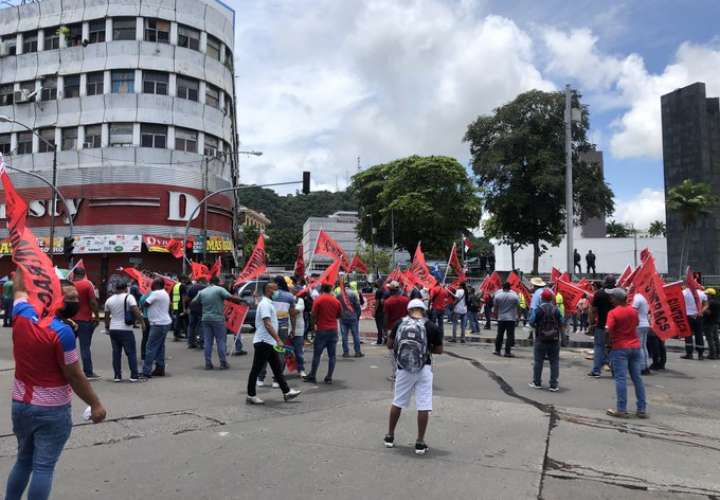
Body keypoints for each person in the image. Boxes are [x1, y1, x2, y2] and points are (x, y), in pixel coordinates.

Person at [6, 273, 107, 500]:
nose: (73, 301)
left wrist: (27, 263)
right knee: (43, 466)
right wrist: (95, 404)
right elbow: (74, 374)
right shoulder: (63, 333)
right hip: (52, 410)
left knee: (23, 460)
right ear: (55, 300)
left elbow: (20, 290)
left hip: (21, 405)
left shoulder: (22, 315)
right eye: (69, 297)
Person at [384, 299, 443, 455]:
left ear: (408, 310)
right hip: (424, 368)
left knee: (397, 402)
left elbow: (389, 345)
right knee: (423, 405)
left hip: (403, 369)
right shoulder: (430, 326)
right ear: (423, 310)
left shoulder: (399, 324)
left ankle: (389, 436)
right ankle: (419, 442)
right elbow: (439, 350)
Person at [246, 282, 302, 405]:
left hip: (268, 342)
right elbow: (267, 323)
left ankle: (287, 392)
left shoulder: (268, 303)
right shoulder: (265, 304)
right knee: (256, 369)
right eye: (275, 289)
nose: (277, 292)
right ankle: (251, 395)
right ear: (268, 290)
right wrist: (278, 339)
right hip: (263, 341)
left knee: (277, 369)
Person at [605, 288, 647, 419]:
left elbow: (607, 330)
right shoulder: (634, 311)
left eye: (612, 297)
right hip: (635, 346)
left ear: (617, 299)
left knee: (621, 379)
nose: (610, 299)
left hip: (620, 347)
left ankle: (622, 409)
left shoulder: (613, 313)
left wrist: (608, 344)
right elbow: (637, 323)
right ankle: (641, 409)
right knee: (637, 378)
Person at [192, 276, 244, 370]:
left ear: (209, 282)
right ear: (218, 282)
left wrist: (204, 306)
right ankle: (223, 363)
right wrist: (242, 300)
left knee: (208, 342)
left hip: (205, 319)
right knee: (220, 341)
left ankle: (208, 363)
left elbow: (194, 302)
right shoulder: (219, 290)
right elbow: (230, 297)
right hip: (218, 319)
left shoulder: (202, 292)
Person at [104, 281, 144, 382]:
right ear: (126, 288)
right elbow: (135, 310)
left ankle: (117, 376)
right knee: (131, 352)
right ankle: (134, 375)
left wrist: (107, 327)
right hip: (126, 329)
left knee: (116, 353)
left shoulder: (109, 300)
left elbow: (106, 316)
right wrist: (142, 322)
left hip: (113, 329)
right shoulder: (129, 297)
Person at [304, 284, 341, 384]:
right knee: (332, 355)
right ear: (331, 290)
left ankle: (313, 375)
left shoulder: (319, 300)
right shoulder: (336, 301)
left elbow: (313, 315)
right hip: (333, 330)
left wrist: (312, 328)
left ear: (321, 290)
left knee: (317, 354)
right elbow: (339, 315)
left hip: (321, 330)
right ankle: (329, 377)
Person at [529, 289, 563, 391]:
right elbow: (561, 322)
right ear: (551, 298)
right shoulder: (556, 310)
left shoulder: (538, 310)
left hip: (541, 338)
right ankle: (553, 385)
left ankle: (537, 382)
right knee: (554, 362)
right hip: (554, 339)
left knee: (538, 361)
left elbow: (531, 322)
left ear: (541, 298)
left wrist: (536, 326)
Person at [140, 278, 173, 379]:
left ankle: (146, 371)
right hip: (165, 322)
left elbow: (144, 304)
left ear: (157, 285)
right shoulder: (164, 293)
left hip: (158, 324)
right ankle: (160, 368)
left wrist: (147, 293)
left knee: (150, 347)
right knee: (160, 347)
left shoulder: (156, 293)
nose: (151, 285)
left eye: (152, 284)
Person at [71, 268, 101, 380]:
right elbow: (93, 302)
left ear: (74, 274)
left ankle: (67, 370)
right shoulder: (87, 285)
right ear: (84, 274)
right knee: (85, 347)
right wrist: (97, 317)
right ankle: (88, 372)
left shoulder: (70, 285)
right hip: (84, 320)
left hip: (70, 320)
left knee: (68, 347)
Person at [587, 277, 615, 378]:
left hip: (601, 325)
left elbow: (593, 310)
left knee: (599, 347)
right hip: (615, 325)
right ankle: (614, 367)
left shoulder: (599, 294)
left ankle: (596, 370)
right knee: (613, 347)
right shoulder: (619, 293)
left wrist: (590, 323)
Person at [337, 280, 363, 358]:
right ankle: (357, 352)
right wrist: (357, 316)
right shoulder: (353, 294)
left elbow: (336, 305)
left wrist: (338, 315)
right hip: (353, 316)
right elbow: (358, 307)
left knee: (344, 336)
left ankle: (346, 352)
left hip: (343, 317)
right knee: (355, 335)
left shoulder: (339, 295)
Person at [681, 283, 708, 360]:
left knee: (688, 335)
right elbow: (706, 305)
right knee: (699, 334)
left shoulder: (684, 292)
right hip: (698, 317)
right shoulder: (702, 293)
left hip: (687, 316)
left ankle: (689, 354)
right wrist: (700, 311)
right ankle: (700, 354)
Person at [493, 282, 519, 357]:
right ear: (510, 288)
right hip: (511, 319)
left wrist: (495, 315)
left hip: (501, 318)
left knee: (499, 335)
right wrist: (518, 316)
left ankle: (497, 350)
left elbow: (495, 307)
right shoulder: (514, 296)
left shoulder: (498, 296)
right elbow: (519, 307)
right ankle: (507, 352)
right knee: (509, 336)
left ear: (502, 287)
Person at [185, 277, 207, 349]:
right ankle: (201, 343)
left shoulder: (192, 288)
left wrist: (186, 307)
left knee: (191, 326)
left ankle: (191, 343)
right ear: (202, 281)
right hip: (202, 310)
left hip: (192, 309)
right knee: (201, 326)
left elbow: (187, 299)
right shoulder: (206, 288)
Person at [632, 292, 651, 375]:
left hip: (639, 324)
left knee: (640, 347)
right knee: (643, 346)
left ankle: (642, 367)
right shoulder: (645, 297)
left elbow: (633, 311)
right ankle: (645, 365)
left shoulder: (637, 297)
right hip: (645, 323)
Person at [702, 288, 720, 360]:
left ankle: (712, 354)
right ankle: (718, 353)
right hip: (715, 322)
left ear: (709, 295)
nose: (705, 295)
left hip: (708, 323)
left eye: (706, 294)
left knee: (710, 339)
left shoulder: (710, 303)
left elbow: (708, 312)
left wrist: (703, 309)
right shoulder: (717, 302)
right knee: (716, 339)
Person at [170, 276, 188, 341]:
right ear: (182, 279)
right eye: (185, 279)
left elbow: (171, 295)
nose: (186, 281)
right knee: (182, 320)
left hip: (176, 305)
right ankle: (178, 335)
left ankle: (177, 335)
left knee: (178, 320)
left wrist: (172, 305)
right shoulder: (183, 286)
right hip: (181, 305)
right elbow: (183, 297)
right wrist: (184, 308)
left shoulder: (175, 285)